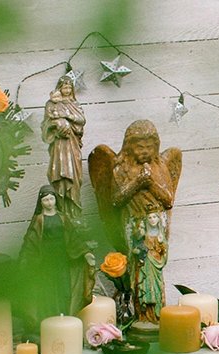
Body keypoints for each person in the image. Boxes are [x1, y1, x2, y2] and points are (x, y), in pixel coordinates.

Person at [88, 119, 182, 325]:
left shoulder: (161, 167)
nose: (145, 152)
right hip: (135, 228)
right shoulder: (121, 169)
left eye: (149, 147)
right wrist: (138, 182)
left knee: (155, 272)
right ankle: (142, 316)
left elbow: (168, 199)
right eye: (140, 147)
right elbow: (115, 200)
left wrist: (151, 183)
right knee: (139, 270)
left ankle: (157, 315)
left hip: (156, 231)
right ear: (129, 147)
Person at [18, 184, 96, 325]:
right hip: (45, 261)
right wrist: (25, 259)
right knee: (47, 289)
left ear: (55, 200)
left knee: (63, 287)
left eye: (51, 199)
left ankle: (64, 315)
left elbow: (73, 238)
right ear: (41, 202)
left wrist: (85, 253)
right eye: (45, 200)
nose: (49, 203)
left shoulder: (62, 218)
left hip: (62, 259)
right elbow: (31, 240)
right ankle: (47, 318)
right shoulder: (39, 220)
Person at [41, 75, 85, 219]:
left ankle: (75, 214)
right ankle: (62, 213)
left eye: (69, 88)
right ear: (59, 88)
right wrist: (55, 126)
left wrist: (67, 117)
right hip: (59, 145)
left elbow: (81, 120)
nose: (66, 90)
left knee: (75, 176)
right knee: (60, 175)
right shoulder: (51, 104)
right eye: (64, 87)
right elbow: (46, 125)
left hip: (72, 145)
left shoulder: (75, 104)